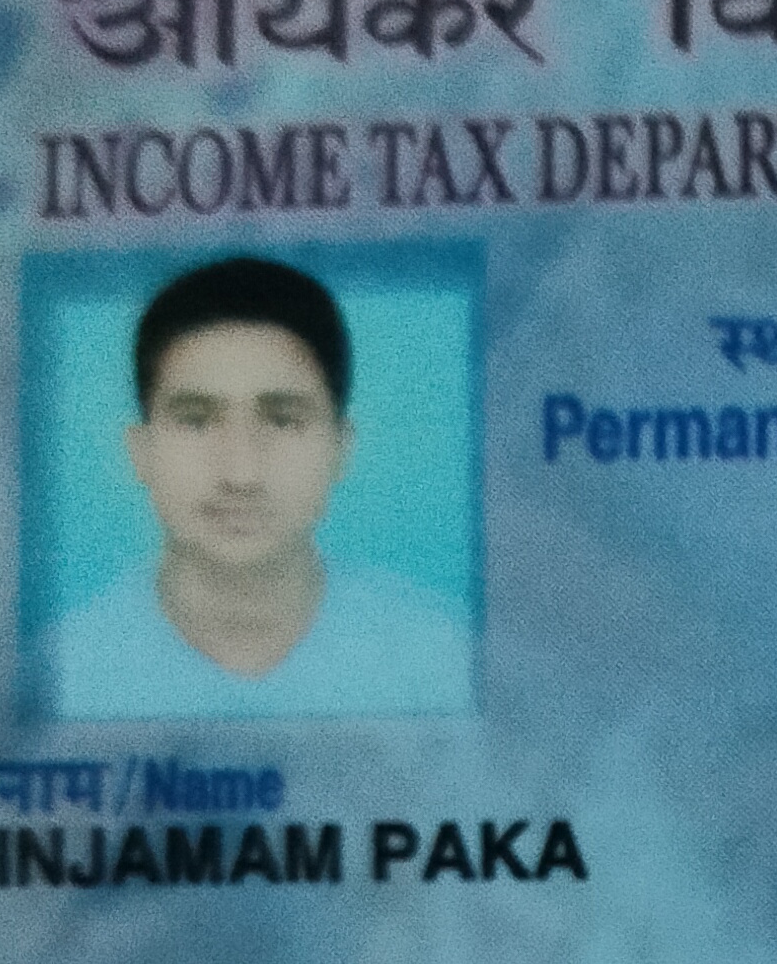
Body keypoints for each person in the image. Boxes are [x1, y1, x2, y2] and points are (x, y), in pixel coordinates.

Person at [41, 255, 471, 717]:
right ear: (140, 452)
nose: (240, 475)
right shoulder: (55, 674)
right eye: (195, 421)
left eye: (283, 420)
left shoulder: (444, 662)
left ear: (341, 449)